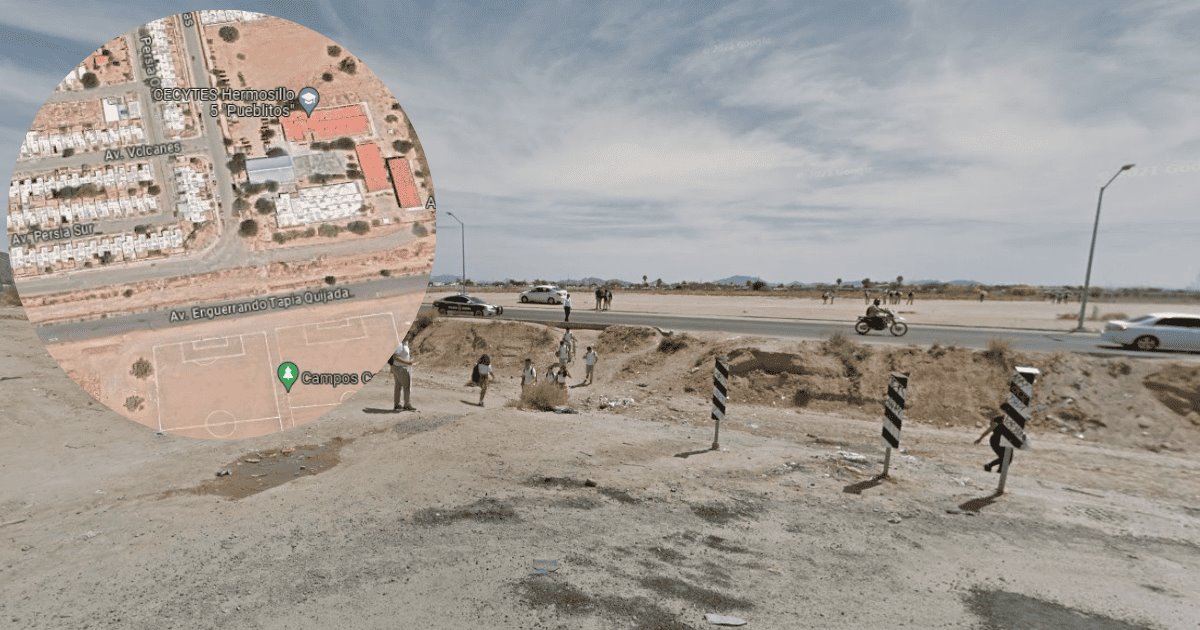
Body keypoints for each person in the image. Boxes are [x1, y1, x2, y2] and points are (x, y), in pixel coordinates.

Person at [390, 335, 415, 411]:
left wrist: (410, 360)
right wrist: (408, 362)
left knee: (398, 386)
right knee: (406, 386)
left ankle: (397, 404)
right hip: (400, 367)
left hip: (399, 367)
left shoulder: (405, 342)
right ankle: (407, 404)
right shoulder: (399, 343)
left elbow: (405, 354)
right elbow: (395, 357)